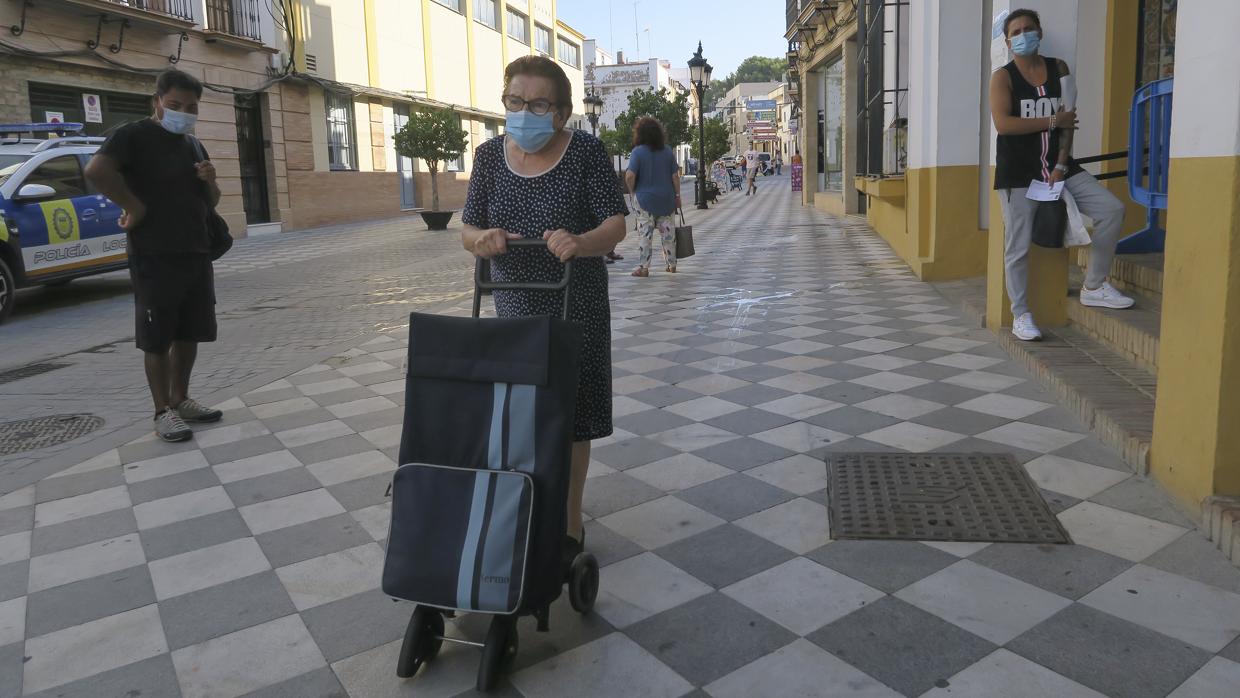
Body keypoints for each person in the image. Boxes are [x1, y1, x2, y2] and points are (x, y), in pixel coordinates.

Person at [461, 55, 628, 562]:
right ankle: (522, 511)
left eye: (537, 103)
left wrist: (580, 240)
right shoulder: (489, 157)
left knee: (573, 418)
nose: (524, 111)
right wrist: (481, 239)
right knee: (519, 417)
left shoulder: (586, 153)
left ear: (561, 111)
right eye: (515, 101)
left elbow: (616, 224)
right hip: (512, 313)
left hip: (575, 309)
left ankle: (569, 522)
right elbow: (467, 229)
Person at [86, 69, 223, 442]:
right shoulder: (132, 136)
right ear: (157, 101)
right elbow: (96, 170)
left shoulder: (193, 144)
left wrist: (209, 179)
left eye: (191, 107)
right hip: (154, 254)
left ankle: (181, 399)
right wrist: (133, 206)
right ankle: (162, 410)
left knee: (190, 330)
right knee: (157, 335)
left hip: (195, 251)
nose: (183, 112)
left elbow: (211, 202)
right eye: (175, 104)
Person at [990, 8, 1133, 342]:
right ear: (1009, 42)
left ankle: (1094, 285)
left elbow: (1069, 120)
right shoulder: (1004, 77)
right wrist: (1052, 122)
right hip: (1019, 175)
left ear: (1040, 32)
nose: (1023, 35)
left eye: (1029, 28)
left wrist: (1060, 164)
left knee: (1112, 210)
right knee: (1018, 246)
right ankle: (1021, 314)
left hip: (1060, 168)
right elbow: (1004, 125)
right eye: (1016, 32)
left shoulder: (1059, 68)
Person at [625, 116, 681, 277]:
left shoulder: (638, 152)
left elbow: (629, 176)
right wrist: (677, 195)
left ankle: (644, 267)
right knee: (668, 234)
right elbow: (675, 177)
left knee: (645, 234)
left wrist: (632, 191)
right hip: (667, 200)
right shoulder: (667, 151)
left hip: (644, 200)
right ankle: (671, 264)